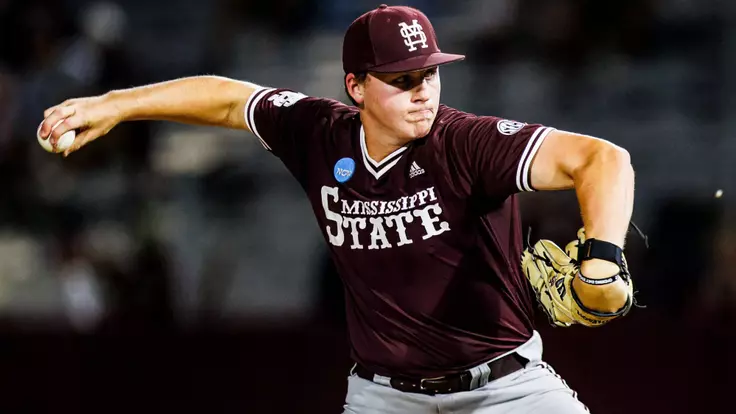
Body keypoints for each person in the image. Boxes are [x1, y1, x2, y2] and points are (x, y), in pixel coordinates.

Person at [39, 4, 637, 413]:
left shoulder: (466, 141)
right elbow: (227, 99)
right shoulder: (319, 136)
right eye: (402, 79)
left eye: (428, 73)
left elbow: (604, 160)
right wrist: (115, 104)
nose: (422, 90)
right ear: (356, 87)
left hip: (506, 390)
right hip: (385, 397)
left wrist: (603, 261)